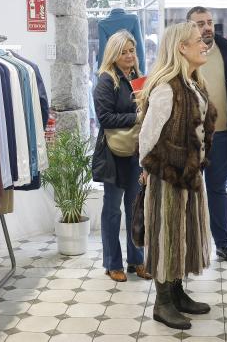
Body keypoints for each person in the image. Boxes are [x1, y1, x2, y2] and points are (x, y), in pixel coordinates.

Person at [137, 22, 216, 330]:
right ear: (182, 47)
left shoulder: (193, 84)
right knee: (165, 235)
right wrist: (146, 171)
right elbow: (148, 135)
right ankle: (163, 303)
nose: (204, 44)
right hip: (168, 176)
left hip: (189, 174)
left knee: (183, 234)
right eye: (198, 41)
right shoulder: (167, 87)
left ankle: (177, 292)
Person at [186, 6, 227, 263]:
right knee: (188, 190)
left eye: (209, 22)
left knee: (218, 190)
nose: (207, 27)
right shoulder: (183, 54)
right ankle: (189, 244)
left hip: (221, 134)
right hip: (190, 136)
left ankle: (223, 244)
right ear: (189, 27)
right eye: (200, 23)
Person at [92, 31, 151, 282]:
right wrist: (135, 118)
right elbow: (104, 119)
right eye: (124, 52)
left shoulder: (138, 78)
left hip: (135, 152)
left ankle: (136, 260)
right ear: (114, 54)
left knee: (135, 208)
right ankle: (112, 263)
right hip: (114, 154)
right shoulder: (107, 80)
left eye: (131, 51)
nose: (129, 56)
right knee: (112, 210)